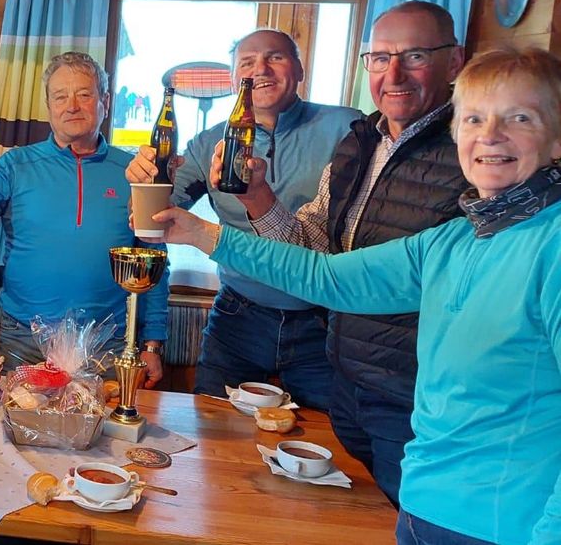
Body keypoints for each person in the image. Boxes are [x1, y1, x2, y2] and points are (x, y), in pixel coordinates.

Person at [149, 46, 561, 545]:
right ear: (457, 135)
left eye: (518, 118)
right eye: (474, 118)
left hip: (507, 526)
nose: (490, 135)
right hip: (423, 503)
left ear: (556, 138)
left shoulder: (551, 245)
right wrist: (202, 233)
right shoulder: (454, 241)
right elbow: (328, 276)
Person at [201, 2, 469, 506]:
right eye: (380, 57)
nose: (393, 73)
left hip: (419, 391)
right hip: (348, 371)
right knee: (339, 506)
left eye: (413, 56)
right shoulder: (360, 143)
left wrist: (203, 234)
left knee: (407, 517)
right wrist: (256, 195)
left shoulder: (475, 147)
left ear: (454, 61)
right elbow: (314, 255)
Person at [127, 29, 362, 410]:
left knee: (328, 444)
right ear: (235, 78)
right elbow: (152, 221)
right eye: (247, 62)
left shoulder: (348, 128)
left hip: (322, 322)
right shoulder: (208, 144)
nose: (260, 70)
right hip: (238, 317)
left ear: (300, 69)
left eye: (275, 57)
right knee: (211, 430)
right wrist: (144, 181)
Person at [0, 51, 168, 384]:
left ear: (104, 100)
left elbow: (156, 258)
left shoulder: (133, 171)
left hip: (109, 343)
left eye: (84, 94)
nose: (71, 105)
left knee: (103, 435)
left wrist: (152, 343)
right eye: (60, 96)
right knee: (20, 432)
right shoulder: (13, 165)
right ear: (49, 106)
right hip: (25, 341)